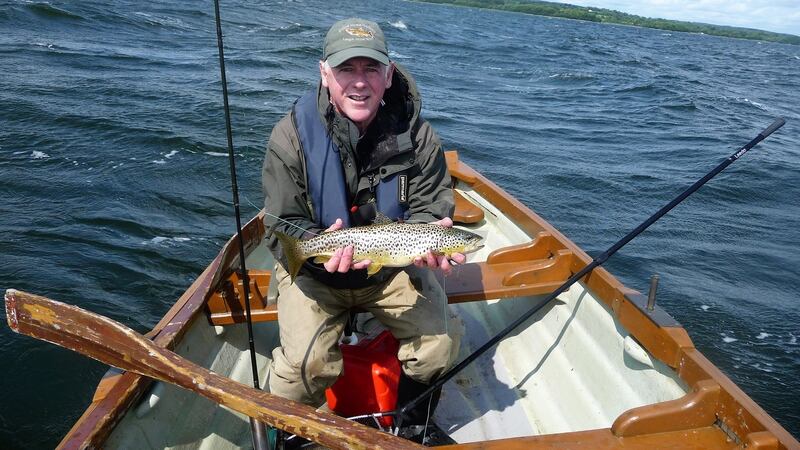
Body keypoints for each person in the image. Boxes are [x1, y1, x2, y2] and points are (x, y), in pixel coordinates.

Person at [261, 17, 464, 427]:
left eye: (371, 68)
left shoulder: (421, 137)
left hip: (391, 270)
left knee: (440, 350)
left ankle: (409, 426)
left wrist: (430, 233)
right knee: (302, 370)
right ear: (324, 74)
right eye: (346, 69)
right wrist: (313, 246)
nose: (359, 82)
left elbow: (431, 205)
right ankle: (292, 432)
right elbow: (281, 222)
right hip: (316, 271)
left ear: (389, 75)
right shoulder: (290, 136)